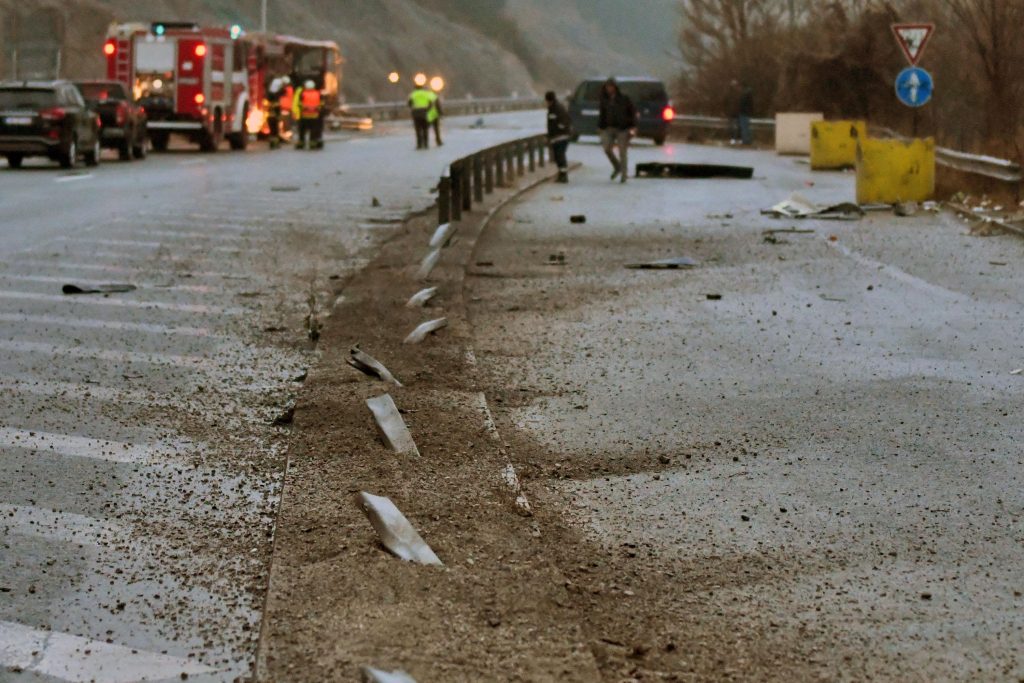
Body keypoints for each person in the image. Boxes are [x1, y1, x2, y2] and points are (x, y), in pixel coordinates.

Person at [598, 78, 636, 184]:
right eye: (607, 87)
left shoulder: (624, 98)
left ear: (615, 87)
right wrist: (600, 127)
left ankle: (624, 174)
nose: (609, 89)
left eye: (611, 86)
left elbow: (632, 112)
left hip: (622, 128)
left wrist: (632, 126)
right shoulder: (604, 99)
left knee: (622, 152)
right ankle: (617, 166)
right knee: (606, 148)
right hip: (608, 127)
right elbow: (602, 114)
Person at [545, 90, 571, 183]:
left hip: (560, 136)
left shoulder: (556, 109)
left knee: (560, 156)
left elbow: (560, 123)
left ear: (549, 100)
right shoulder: (554, 108)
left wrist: (559, 129)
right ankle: (561, 174)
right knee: (558, 156)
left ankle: (563, 176)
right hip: (559, 136)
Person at [292, 80, 323, 150]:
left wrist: (300, 111)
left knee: (302, 131)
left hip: (304, 116)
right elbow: (321, 104)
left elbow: (299, 104)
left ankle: (301, 144)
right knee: (313, 131)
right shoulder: (318, 93)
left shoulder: (302, 93)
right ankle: (313, 144)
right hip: (315, 116)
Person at [408, 83, 435, 150]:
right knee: (425, 129)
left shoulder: (413, 94)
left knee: (418, 130)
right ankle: (426, 144)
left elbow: (409, 104)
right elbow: (431, 103)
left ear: (415, 88)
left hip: (416, 113)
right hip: (424, 113)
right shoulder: (426, 94)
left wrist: (413, 108)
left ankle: (419, 144)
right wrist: (427, 110)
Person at [732, 81, 754, 146]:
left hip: (743, 113)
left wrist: (739, 110)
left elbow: (742, 104)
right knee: (746, 127)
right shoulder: (749, 93)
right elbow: (751, 105)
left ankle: (745, 141)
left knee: (744, 127)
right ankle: (748, 140)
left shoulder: (744, 94)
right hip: (747, 112)